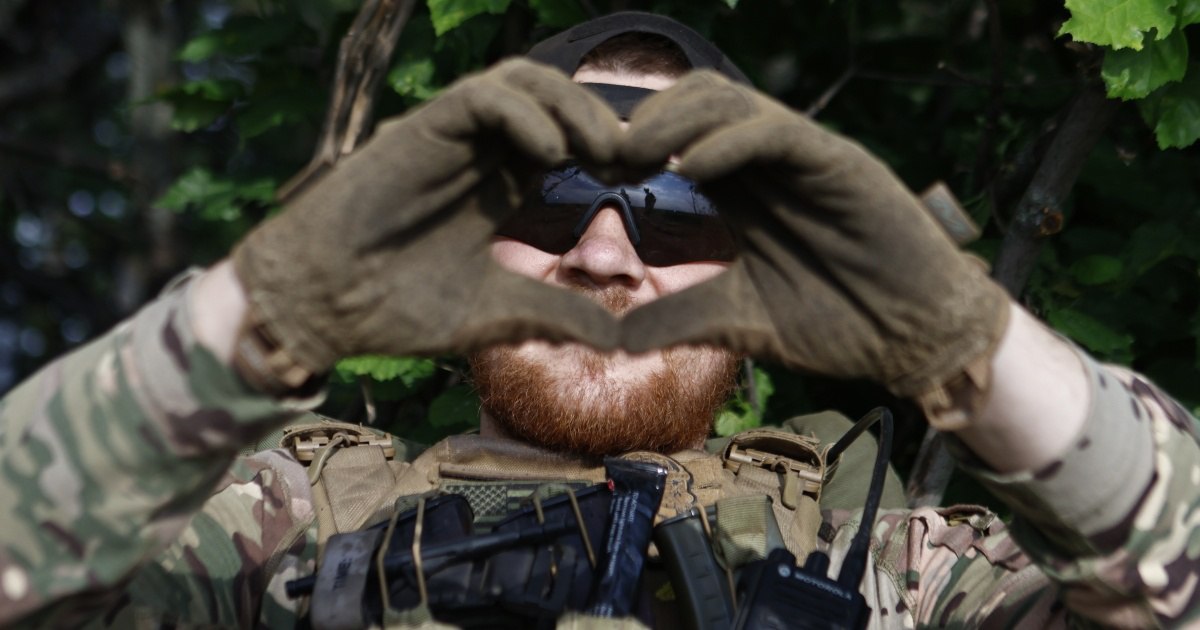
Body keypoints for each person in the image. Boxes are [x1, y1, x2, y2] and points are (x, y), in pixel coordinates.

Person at [1, 11, 1196, 629]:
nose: (608, 253)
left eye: (680, 211)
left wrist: (962, 338)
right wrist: (260, 309)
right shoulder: (278, 536)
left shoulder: (890, 564)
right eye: (551, 194)